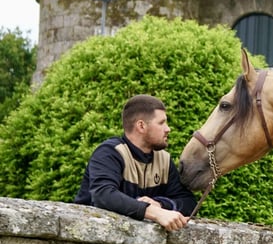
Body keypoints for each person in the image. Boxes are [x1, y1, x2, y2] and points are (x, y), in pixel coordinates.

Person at [74, 94, 197, 231]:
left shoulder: (164, 160)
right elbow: (103, 195)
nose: (168, 129)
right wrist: (153, 212)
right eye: (161, 123)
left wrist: (160, 205)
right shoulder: (110, 152)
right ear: (141, 126)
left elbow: (189, 202)